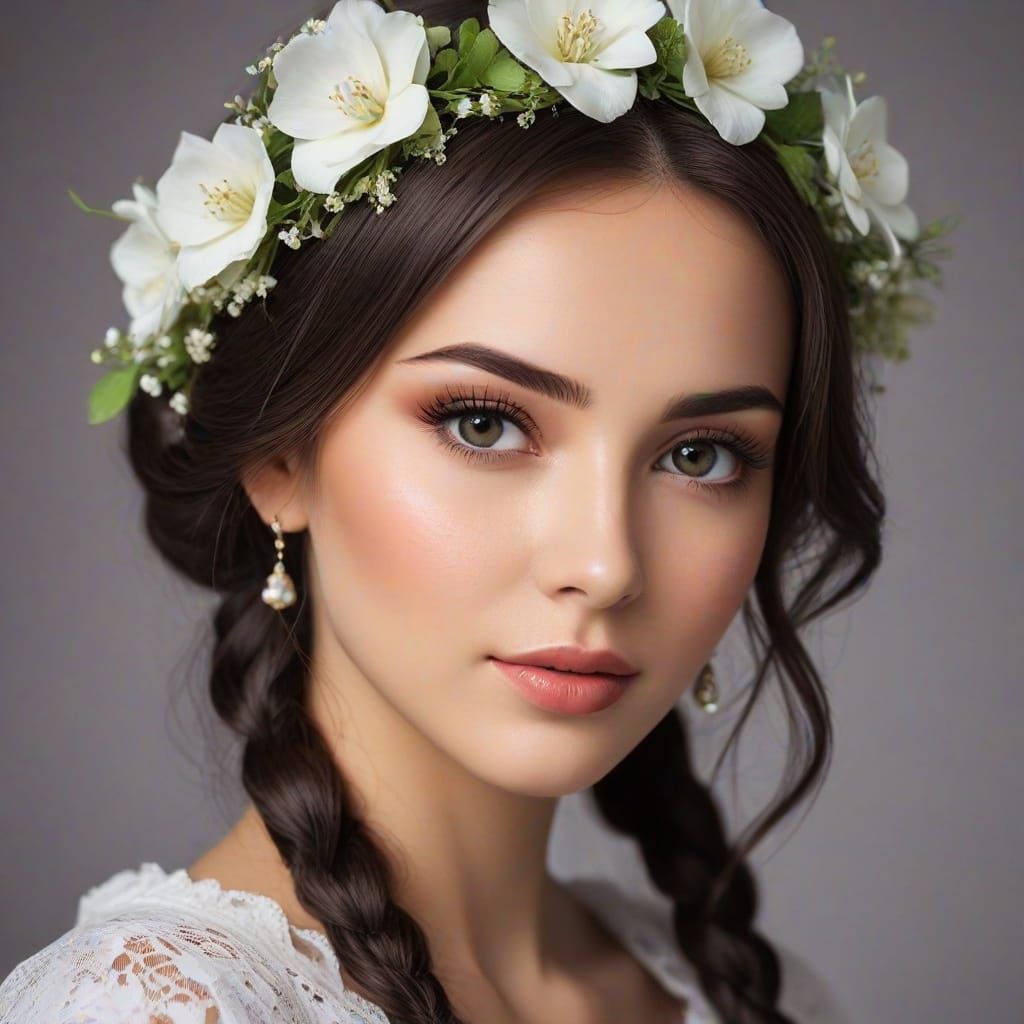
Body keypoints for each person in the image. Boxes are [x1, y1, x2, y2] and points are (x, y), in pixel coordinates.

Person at [0, 0, 952, 1021]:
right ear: (279, 454)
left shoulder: (763, 998)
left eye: (699, 454)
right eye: (485, 425)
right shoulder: (149, 1007)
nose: (606, 565)